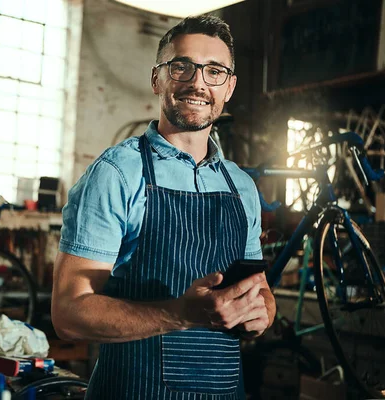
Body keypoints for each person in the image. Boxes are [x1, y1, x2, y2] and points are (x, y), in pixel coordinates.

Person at [51, 15, 276, 400]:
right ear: (157, 79)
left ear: (230, 87)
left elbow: (261, 294)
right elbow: (69, 313)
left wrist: (261, 316)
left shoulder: (242, 186)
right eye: (181, 67)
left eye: (214, 71)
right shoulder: (118, 174)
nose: (197, 82)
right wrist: (181, 314)